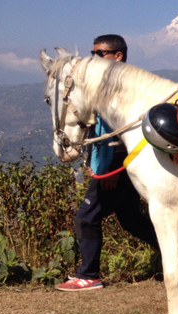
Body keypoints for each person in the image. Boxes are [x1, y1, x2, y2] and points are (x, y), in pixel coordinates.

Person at [56, 34, 159, 291]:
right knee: (130, 219)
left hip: (116, 165)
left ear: (118, 56)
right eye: (93, 53)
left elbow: (126, 133)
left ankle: (89, 275)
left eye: (100, 54)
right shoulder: (110, 85)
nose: (94, 58)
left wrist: (111, 169)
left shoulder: (125, 89)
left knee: (86, 218)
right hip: (116, 165)